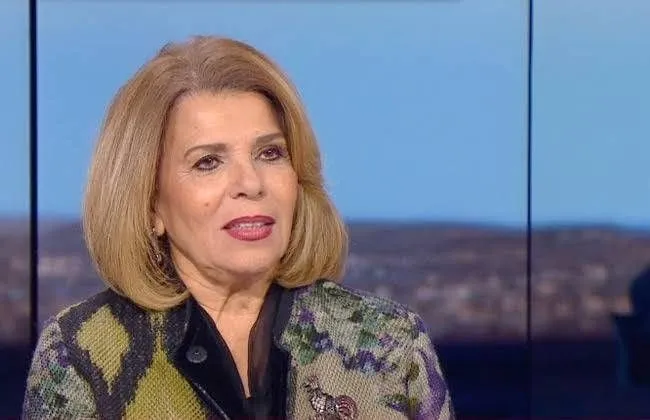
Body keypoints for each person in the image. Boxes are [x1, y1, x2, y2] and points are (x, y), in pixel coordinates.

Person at [22, 35, 454, 420]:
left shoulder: (389, 342)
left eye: (270, 154)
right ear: (150, 204)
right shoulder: (81, 351)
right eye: (208, 162)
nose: (250, 183)